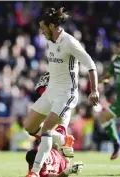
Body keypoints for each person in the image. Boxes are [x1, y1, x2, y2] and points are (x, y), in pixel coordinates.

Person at [24, 7, 99, 177]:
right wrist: (46, 77)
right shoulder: (51, 42)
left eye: (43, 28)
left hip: (66, 94)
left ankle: (34, 172)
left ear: (51, 26)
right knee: (29, 126)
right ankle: (63, 140)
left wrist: (94, 90)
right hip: (51, 91)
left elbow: (91, 64)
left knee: (47, 130)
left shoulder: (70, 42)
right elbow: (56, 67)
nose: (41, 32)